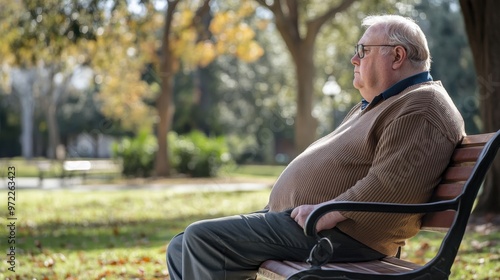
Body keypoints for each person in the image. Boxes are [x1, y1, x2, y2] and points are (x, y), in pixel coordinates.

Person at [166, 14, 465, 280]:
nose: (354, 59)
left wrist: (330, 212)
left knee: (201, 240)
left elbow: (395, 180)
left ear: (397, 56)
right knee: (181, 246)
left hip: (342, 236)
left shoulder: (423, 105)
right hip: (310, 226)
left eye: (362, 50)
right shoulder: (380, 105)